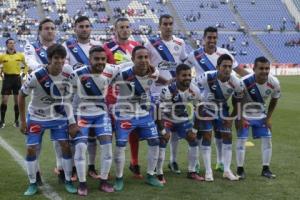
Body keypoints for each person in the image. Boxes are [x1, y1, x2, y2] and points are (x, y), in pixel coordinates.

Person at [186, 26, 248, 172]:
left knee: (221, 132)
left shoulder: (224, 53)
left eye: (214, 38)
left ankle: (220, 162)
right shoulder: (194, 55)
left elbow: (239, 70)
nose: (212, 40)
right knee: (201, 132)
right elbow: (185, 69)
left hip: (221, 99)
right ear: (203, 39)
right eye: (209, 37)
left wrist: (253, 79)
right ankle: (196, 163)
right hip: (202, 100)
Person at [18, 44, 78, 196]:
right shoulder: (36, 76)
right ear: (49, 59)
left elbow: (69, 99)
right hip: (36, 116)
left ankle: (68, 180)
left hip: (57, 117)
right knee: (31, 149)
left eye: (62, 58)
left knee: (65, 146)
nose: (59, 61)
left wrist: (72, 122)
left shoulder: (69, 72)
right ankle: (32, 183)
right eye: (56, 58)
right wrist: (23, 120)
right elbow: (21, 95)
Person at [70, 46, 119, 195]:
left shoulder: (110, 71)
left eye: (103, 59)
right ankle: (82, 183)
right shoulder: (77, 74)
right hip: (81, 114)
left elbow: (127, 66)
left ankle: (103, 181)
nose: (100, 62)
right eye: (96, 59)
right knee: (80, 148)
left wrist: (152, 70)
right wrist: (71, 122)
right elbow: (67, 98)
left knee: (107, 148)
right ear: (89, 60)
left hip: (101, 114)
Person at [112, 46, 163, 191]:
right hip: (124, 115)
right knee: (121, 145)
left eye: (146, 57)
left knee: (155, 141)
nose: (143, 60)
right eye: (139, 57)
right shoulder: (121, 74)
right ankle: (119, 178)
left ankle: (151, 175)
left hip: (143, 114)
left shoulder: (155, 73)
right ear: (133, 59)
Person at [145, 14, 188, 174]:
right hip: (156, 92)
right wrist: (163, 80)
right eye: (165, 24)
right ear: (159, 26)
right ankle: (156, 168)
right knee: (161, 130)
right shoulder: (150, 44)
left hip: (176, 93)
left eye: (170, 23)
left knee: (175, 129)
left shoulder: (180, 43)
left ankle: (173, 161)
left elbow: (183, 64)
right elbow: (147, 67)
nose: (168, 26)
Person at [63, 15, 102, 179]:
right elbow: (64, 66)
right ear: (75, 28)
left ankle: (91, 166)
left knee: (92, 135)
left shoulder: (98, 46)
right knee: (75, 133)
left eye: (87, 26)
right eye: (81, 26)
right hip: (75, 96)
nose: (84, 29)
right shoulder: (67, 46)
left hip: (94, 97)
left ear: (91, 28)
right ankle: (72, 168)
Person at [102, 17, 142, 178]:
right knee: (110, 132)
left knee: (133, 130)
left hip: (132, 96)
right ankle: (108, 167)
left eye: (127, 27)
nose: (125, 30)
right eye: (121, 27)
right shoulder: (107, 48)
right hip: (113, 97)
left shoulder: (137, 46)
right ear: (115, 30)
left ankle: (134, 162)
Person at [194, 54, 244, 181]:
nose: (227, 69)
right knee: (207, 136)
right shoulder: (206, 77)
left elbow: (238, 102)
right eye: (224, 66)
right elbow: (192, 88)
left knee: (227, 136)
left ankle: (227, 170)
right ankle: (208, 171)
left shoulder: (236, 82)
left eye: (229, 66)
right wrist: (197, 106)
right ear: (218, 67)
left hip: (222, 110)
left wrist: (231, 118)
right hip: (205, 108)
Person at [157, 63, 204, 184]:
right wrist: (163, 131)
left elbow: (199, 110)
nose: (188, 77)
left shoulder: (195, 90)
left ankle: (192, 172)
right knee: (162, 140)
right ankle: (159, 174)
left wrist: (194, 130)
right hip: (166, 118)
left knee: (193, 140)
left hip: (181, 118)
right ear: (177, 76)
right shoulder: (167, 90)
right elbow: (158, 112)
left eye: (189, 75)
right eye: (184, 75)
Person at [236, 56, 280, 179]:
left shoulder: (274, 82)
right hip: (244, 114)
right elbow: (237, 100)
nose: (265, 71)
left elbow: (274, 100)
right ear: (254, 68)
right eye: (261, 68)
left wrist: (269, 117)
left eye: (267, 68)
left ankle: (266, 169)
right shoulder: (244, 82)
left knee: (267, 140)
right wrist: (240, 118)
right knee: (241, 140)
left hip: (261, 115)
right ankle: (240, 170)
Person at [0, 38, 28, 128]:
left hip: (17, 79)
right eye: (10, 43)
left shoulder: (20, 55)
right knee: (4, 101)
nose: (12, 44)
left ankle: (16, 121)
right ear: (6, 45)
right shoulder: (2, 56)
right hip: (7, 79)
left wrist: (24, 74)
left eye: (13, 43)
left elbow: (26, 66)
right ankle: (2, 121)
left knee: (17, 101)